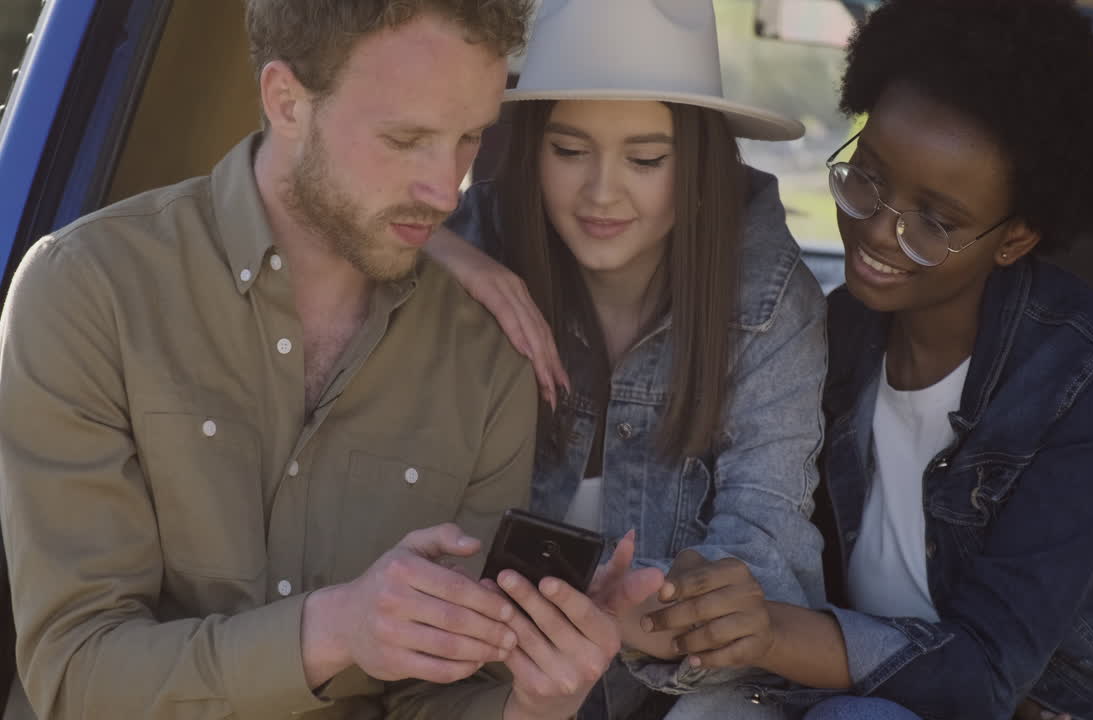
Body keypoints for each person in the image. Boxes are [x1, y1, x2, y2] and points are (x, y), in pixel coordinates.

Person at [0, 1, 662, 719]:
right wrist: (336, 629)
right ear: (286, 101)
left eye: (470, 138)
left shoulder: (487, 357)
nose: (446, 191)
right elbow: (76, 675)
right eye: (406, 139)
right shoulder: (89, 292)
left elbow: (433, 699)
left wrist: (534, 702)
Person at [640, 0, 1093, 718]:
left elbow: (987, 672)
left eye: (935, 222)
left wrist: (771, 633)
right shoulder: (833, 336)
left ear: (1016, 239)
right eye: (867, 178)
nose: (878, 232)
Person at [426, 0, 828, 716]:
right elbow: (323, 210)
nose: (601, 192)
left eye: (645, 159)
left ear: (699, 161)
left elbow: (766, 562)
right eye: (568, 151)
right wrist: (435, 248)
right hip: (475, 682)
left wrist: (618, 615)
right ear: (529, 147)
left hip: (667, 694)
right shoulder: (471, 245)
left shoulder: (769, 301)